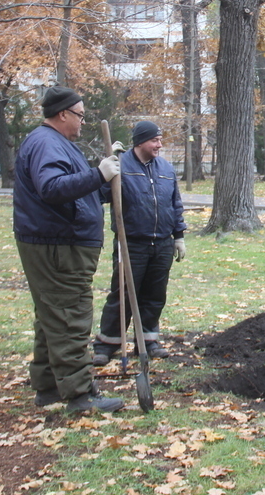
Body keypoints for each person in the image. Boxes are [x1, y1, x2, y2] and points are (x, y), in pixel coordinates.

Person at [13, 86, 125, 413]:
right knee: (69, 315)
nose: (82, 122)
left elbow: (76, 191)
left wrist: (104, 184)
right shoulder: (46, 143)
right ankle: (80, 395)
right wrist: (98, 174)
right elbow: (51, 188)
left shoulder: (58, 144)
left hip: (61, 240)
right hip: (59, 245)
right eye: (80, 115)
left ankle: (48, 386)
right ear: (63, 114)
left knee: (52, 314)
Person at [93, 121, 187, 365]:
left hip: (162, 244)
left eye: (160, 139)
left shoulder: (165, 168)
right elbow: (100, 195)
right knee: (122, 294)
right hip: (131, 243)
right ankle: (108, 344)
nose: (160, 144)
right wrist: (105, 170)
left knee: (155, 295)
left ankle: (148, 341)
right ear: (140, 142)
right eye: (155, 140)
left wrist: (179, 236)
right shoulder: (121, 166)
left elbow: (175, 203)